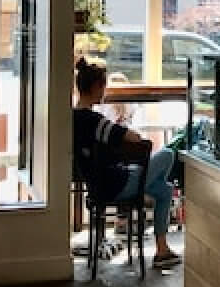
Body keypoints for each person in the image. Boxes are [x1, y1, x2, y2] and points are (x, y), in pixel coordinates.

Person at [73, 59, 180, 269]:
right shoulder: (94, 121)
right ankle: (146, 194)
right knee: (167, 154)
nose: (104, 91)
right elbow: (132, 137)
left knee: (164, 190)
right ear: (96, 87)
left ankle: (162, 249)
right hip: (116, 184)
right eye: (103, 86)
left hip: (98, 185)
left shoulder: (73, 118)